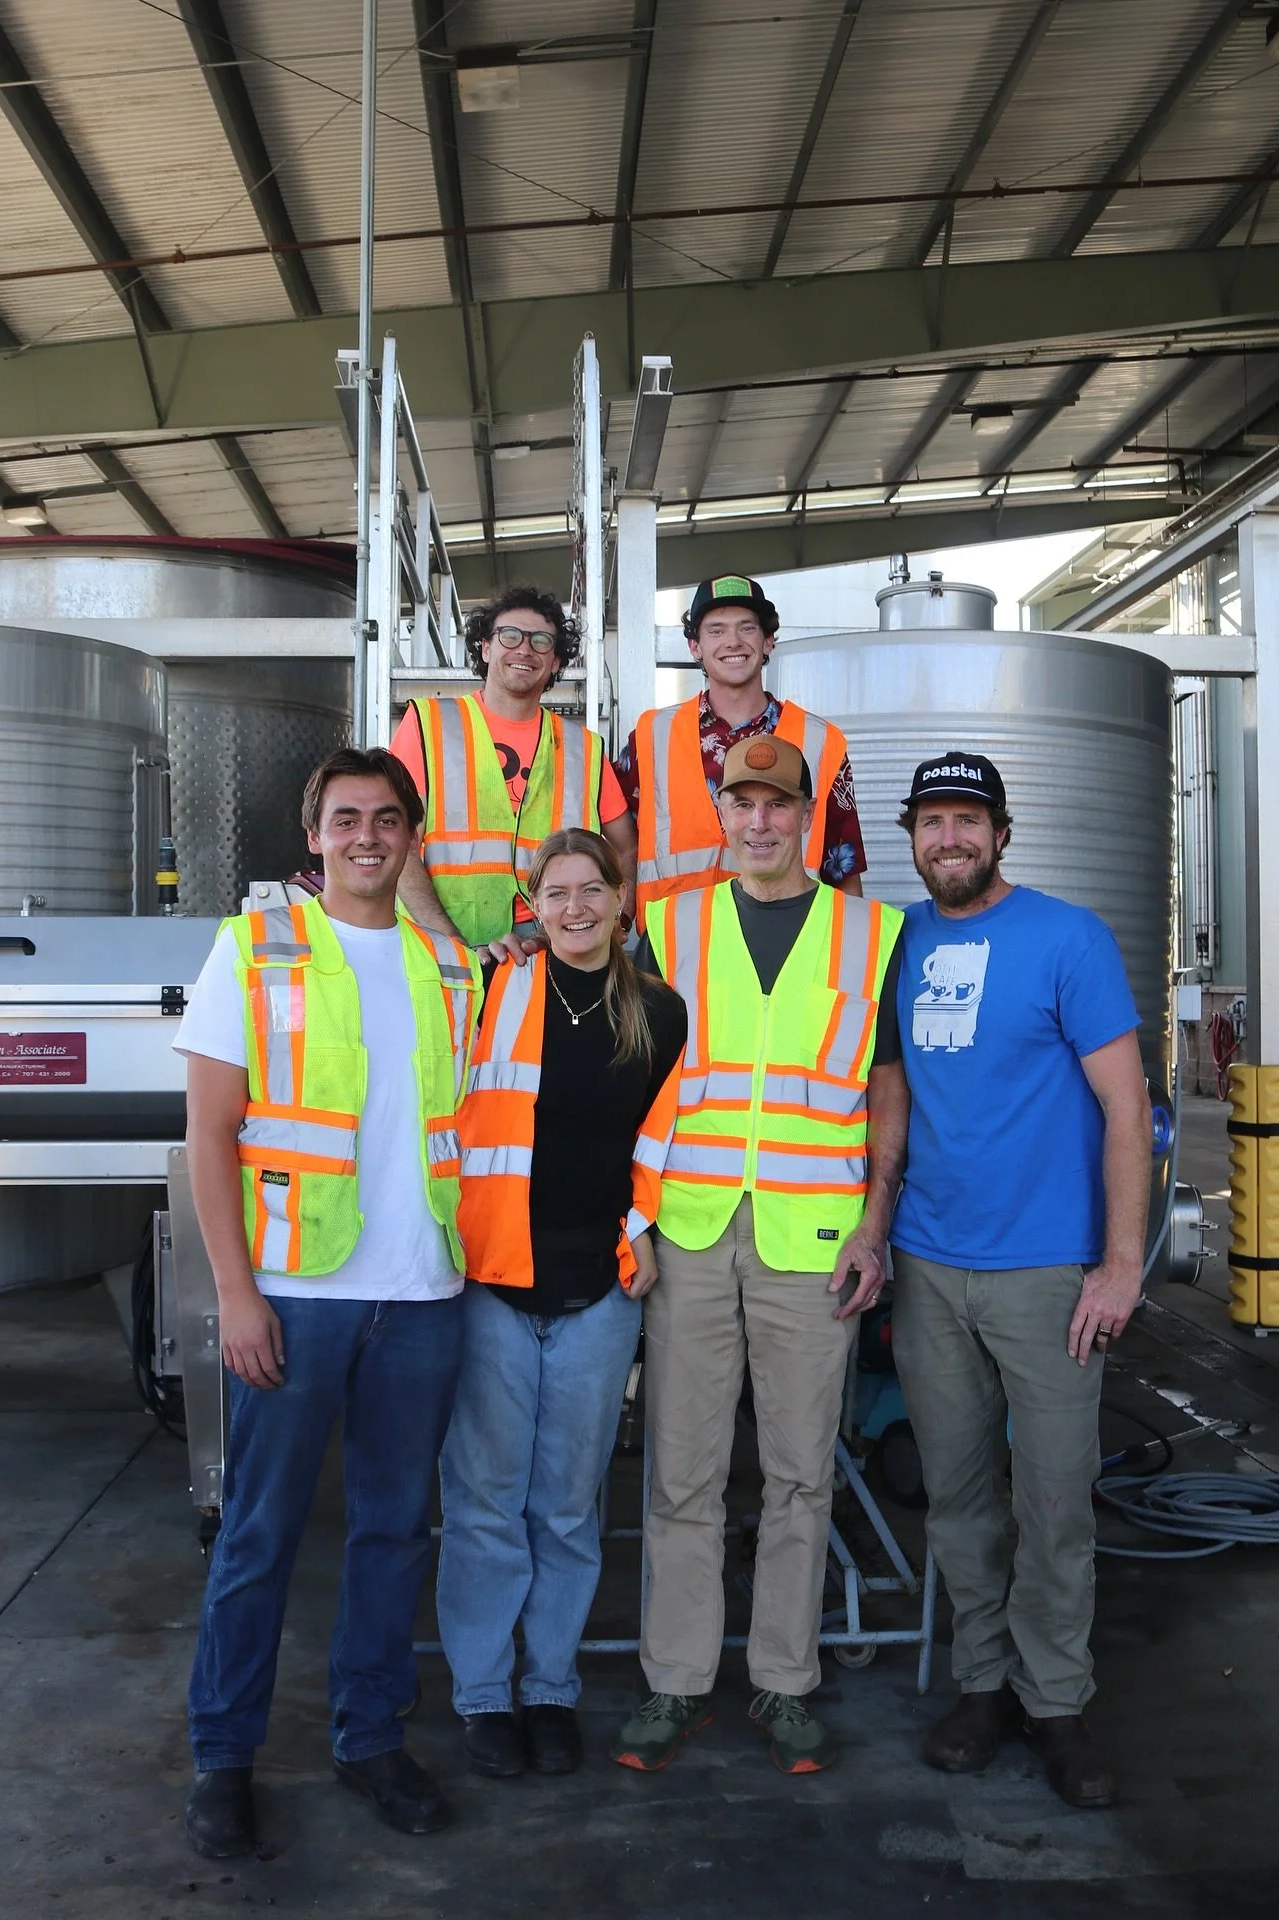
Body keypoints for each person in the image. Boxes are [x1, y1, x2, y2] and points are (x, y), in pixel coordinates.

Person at [174, 746, 481, 1857]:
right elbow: (209, 1134)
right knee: (257, 1535)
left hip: (424, 1296)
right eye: (346, 818)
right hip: (297, 1298)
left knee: (395, 1535)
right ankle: (223, 1755)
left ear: (410, 837)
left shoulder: (452, 971)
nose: (367, 836)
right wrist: (236, 1295)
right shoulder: (253, 949)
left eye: (387, 819)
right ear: (313, 836)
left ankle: (368, 1740)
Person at [611, 734, 907, 1777]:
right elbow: (628, 1077)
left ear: (805, 817)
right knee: (682, 1473)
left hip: (813, 1236)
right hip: (689, 1229)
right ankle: (677, 1682)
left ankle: (784, 1684)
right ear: (722, 812)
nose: (761, 821)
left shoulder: (872, 934)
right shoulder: (665, 924)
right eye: (743, 803)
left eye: (779, 804)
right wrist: (630, 1219)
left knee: (799, 1474)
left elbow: (885, 1086)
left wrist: (875, 1224)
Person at [887, 751, 1153, 1811]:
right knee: (956, 1499)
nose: (948, 838)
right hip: (928, 1263)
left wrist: (1123, 1264)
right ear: (911, 836)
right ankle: (984, 1686)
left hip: (1048, 1273)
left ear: (1002, 832)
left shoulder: (1068, 939)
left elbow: (1128, 1114)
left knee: (1052, 1500)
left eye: (967, 820)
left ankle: (1057, 1703)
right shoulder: (899, 942)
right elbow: (891, 1098)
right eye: (931, 822)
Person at [435, 828, 686, 1779]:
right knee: (486, 1503)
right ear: (528, 905)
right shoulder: (490, 997)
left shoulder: (660, 1014)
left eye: (593, 890)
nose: (575, 908)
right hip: (493, 1282)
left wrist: (647, 1235)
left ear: (622, 901)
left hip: (600, 1288)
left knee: (570, 1510)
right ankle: (484, 1695)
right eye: (557, 892)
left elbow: (666, 1148)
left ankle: (549, 1688)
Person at [391, 585, 637, 961]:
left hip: (553, 951)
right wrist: (451, 949)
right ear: (486, 648)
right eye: (509, 636)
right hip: (446, 947)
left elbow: (627, 847)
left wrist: (619, 920)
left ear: (555, 661)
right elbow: (398, 844)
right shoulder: (428, 725)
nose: (524, 649)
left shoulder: (583, 748)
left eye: (541, 641)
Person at [614, 574, 866, 934]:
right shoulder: (652, 735)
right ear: (694, 646)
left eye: (747, 628)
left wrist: (852, 955)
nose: (733, 641)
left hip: (787, 948)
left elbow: (843, 866)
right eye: (716, 630)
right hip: (673, 951)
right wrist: (616, 922)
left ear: (768, 641)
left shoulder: (821, 740)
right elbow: (616, 841)